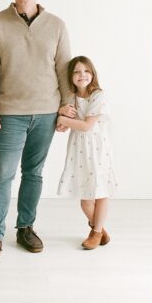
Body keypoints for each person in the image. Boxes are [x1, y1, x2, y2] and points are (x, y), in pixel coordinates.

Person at [0, 0, 73, 265]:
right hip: (9, 114)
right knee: (2, 175)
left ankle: (25, 228)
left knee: (34, 174)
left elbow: (64, 66)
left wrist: (67, 107)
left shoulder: (56, 25)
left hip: (46, 112)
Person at [56, 55, 117, 250]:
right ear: (71, 76)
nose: (82, 75)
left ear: (92, 73)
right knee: (85, 199)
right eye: (76, 72)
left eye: (86, 71)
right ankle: (101, 231)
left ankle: (96, 232)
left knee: (100, 192)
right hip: (79, 149)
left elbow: (86, 126)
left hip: (98, 148)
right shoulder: (71, 99)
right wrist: (62, 116)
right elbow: (60, 128)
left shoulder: (98, 95)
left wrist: (61, 118)